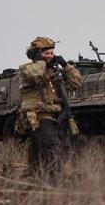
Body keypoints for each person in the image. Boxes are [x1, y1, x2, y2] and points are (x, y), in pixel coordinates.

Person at [16, 36, 83, 181]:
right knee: (50, 149)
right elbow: (37, 74)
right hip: (38, 117)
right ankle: (51, 182)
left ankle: (40, 180)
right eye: (46, 53)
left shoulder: (55, 72)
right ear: (36, 54)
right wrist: (40, 60)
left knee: (53, 151)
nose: (50, 57)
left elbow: (76, 83)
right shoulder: (27, 69)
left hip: (56, 117)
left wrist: (66, 66)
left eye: (52, 53)